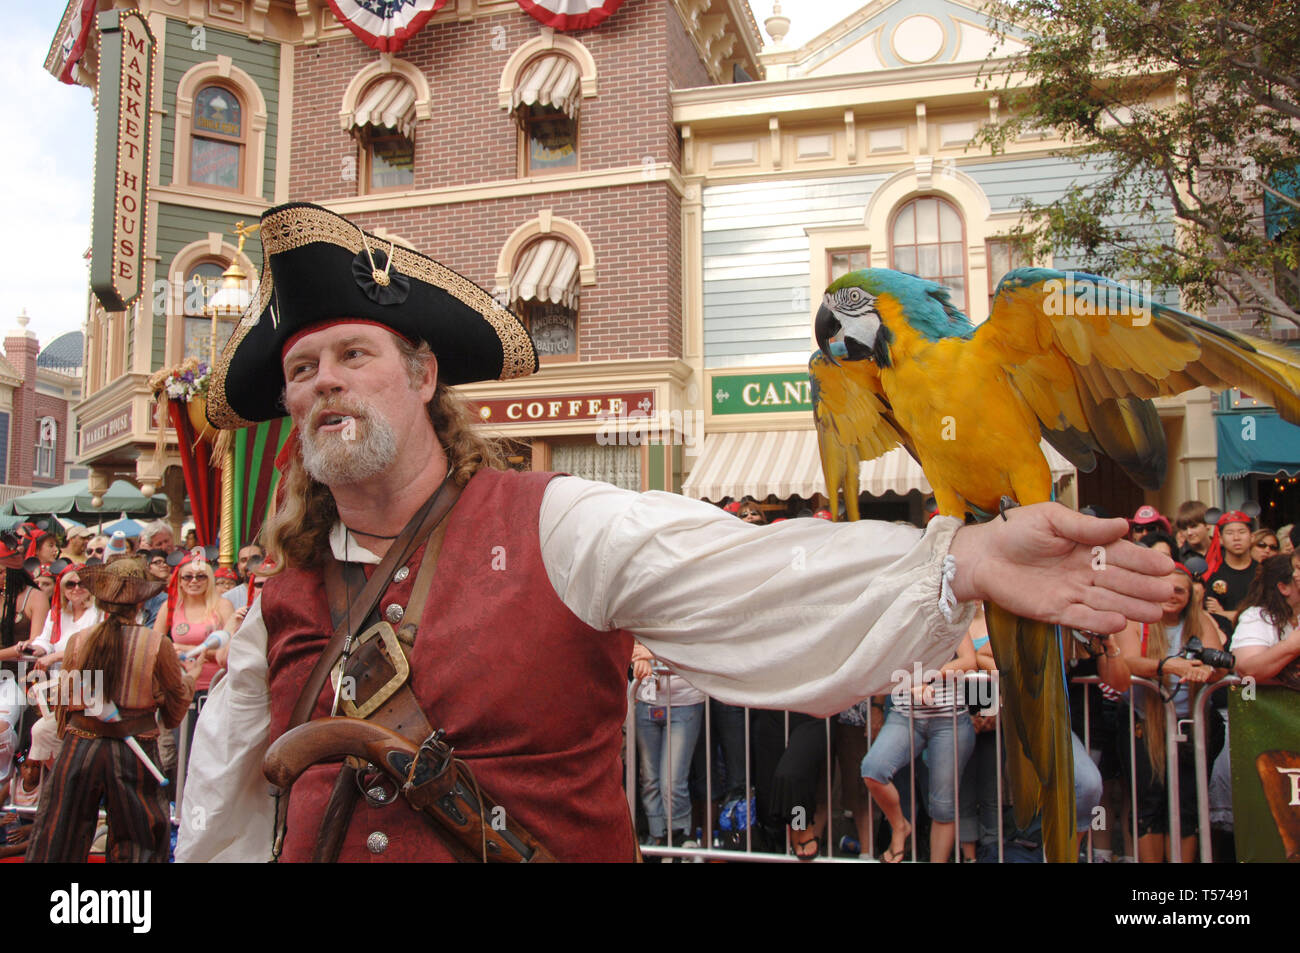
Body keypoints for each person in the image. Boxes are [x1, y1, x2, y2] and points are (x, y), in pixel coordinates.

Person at [177, 201, 1173, 863]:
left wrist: (960, 556)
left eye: (354, 353)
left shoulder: (560, 522)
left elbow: (757, 577)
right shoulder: (279, 600)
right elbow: (225, 805)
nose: (326, 383)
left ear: (426, 377)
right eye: (304, 372)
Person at [24, 560, 202, 862]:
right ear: (142, 601)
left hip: (80, 743)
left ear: (102, 599)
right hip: (135, 749)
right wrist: (191, 679)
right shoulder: (156, 642)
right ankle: (130, 908)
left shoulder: (79, 640)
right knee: (139, 840)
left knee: (58, 833)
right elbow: (174, 708)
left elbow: (66, 703)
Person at [1115, 563, 1227, 863]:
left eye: (1180, 590)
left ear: (1191, 596)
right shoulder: (1135, 618)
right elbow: (1128, 663)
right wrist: (1167, 666)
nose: (1172, 595)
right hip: (1143, 720)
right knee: (1149, 803)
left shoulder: (1199, 621)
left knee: (1188, 803)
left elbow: (1219, 665)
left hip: (1191, 722)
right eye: (1165, 588)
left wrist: (1207, 670)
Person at [861, 634, 978, 862]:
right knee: (873, 770)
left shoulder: (951, 615)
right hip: (904, 716)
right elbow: (884, 663)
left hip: (949, 719)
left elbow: (969, 661)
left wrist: (926, 677)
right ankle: (900, 826)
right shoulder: (899, 619)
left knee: (943, 806)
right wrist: (907, 682)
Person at [631, 641, 704, 854]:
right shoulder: (637, 609)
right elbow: (627, 642)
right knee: (649, 779)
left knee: (671, 780)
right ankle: (658, 839)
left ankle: (679, 838)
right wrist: (638, 658)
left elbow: (700, 648)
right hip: (645, 700)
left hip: (684, 702)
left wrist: (653, 653)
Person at [1203, 511, 1256, 634]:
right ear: (1220, 539)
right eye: (1229, 533)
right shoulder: (1211, 574)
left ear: (1252, 537)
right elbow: (1210, 615)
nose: (1236, 538)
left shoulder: (1263, 572)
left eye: (1242, 532)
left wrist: (1224, 613)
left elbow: (1265, 613)